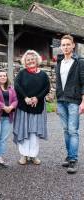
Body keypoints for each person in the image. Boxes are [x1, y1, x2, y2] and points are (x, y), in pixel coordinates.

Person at [13, 50, 50, 165]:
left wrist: (37, 98)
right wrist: (25, 98)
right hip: (24, 106)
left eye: (32, 59)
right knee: (24, 130)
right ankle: (24, 155)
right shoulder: (22, 73)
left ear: (36, 60)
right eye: (28, 59)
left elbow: (46, 88)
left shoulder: (43, 75)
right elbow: (16, 86)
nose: (30, 61)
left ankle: (33, 155)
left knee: (34, 132)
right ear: (25, 61)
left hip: (37, 106)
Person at [56, 35, 84, 174]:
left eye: (68, 44)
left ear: (73, 45)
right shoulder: (59, 61)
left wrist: (83, 102)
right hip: (61, 100)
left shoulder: (80, 61)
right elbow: (59, 82)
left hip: (74, 100)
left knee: (73, 131)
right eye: (63, 45)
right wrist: (57, 99)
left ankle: (73, 160)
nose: (65, 47)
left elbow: (83, 82)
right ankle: (69, 156)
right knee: (66, 130)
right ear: (61, 47)